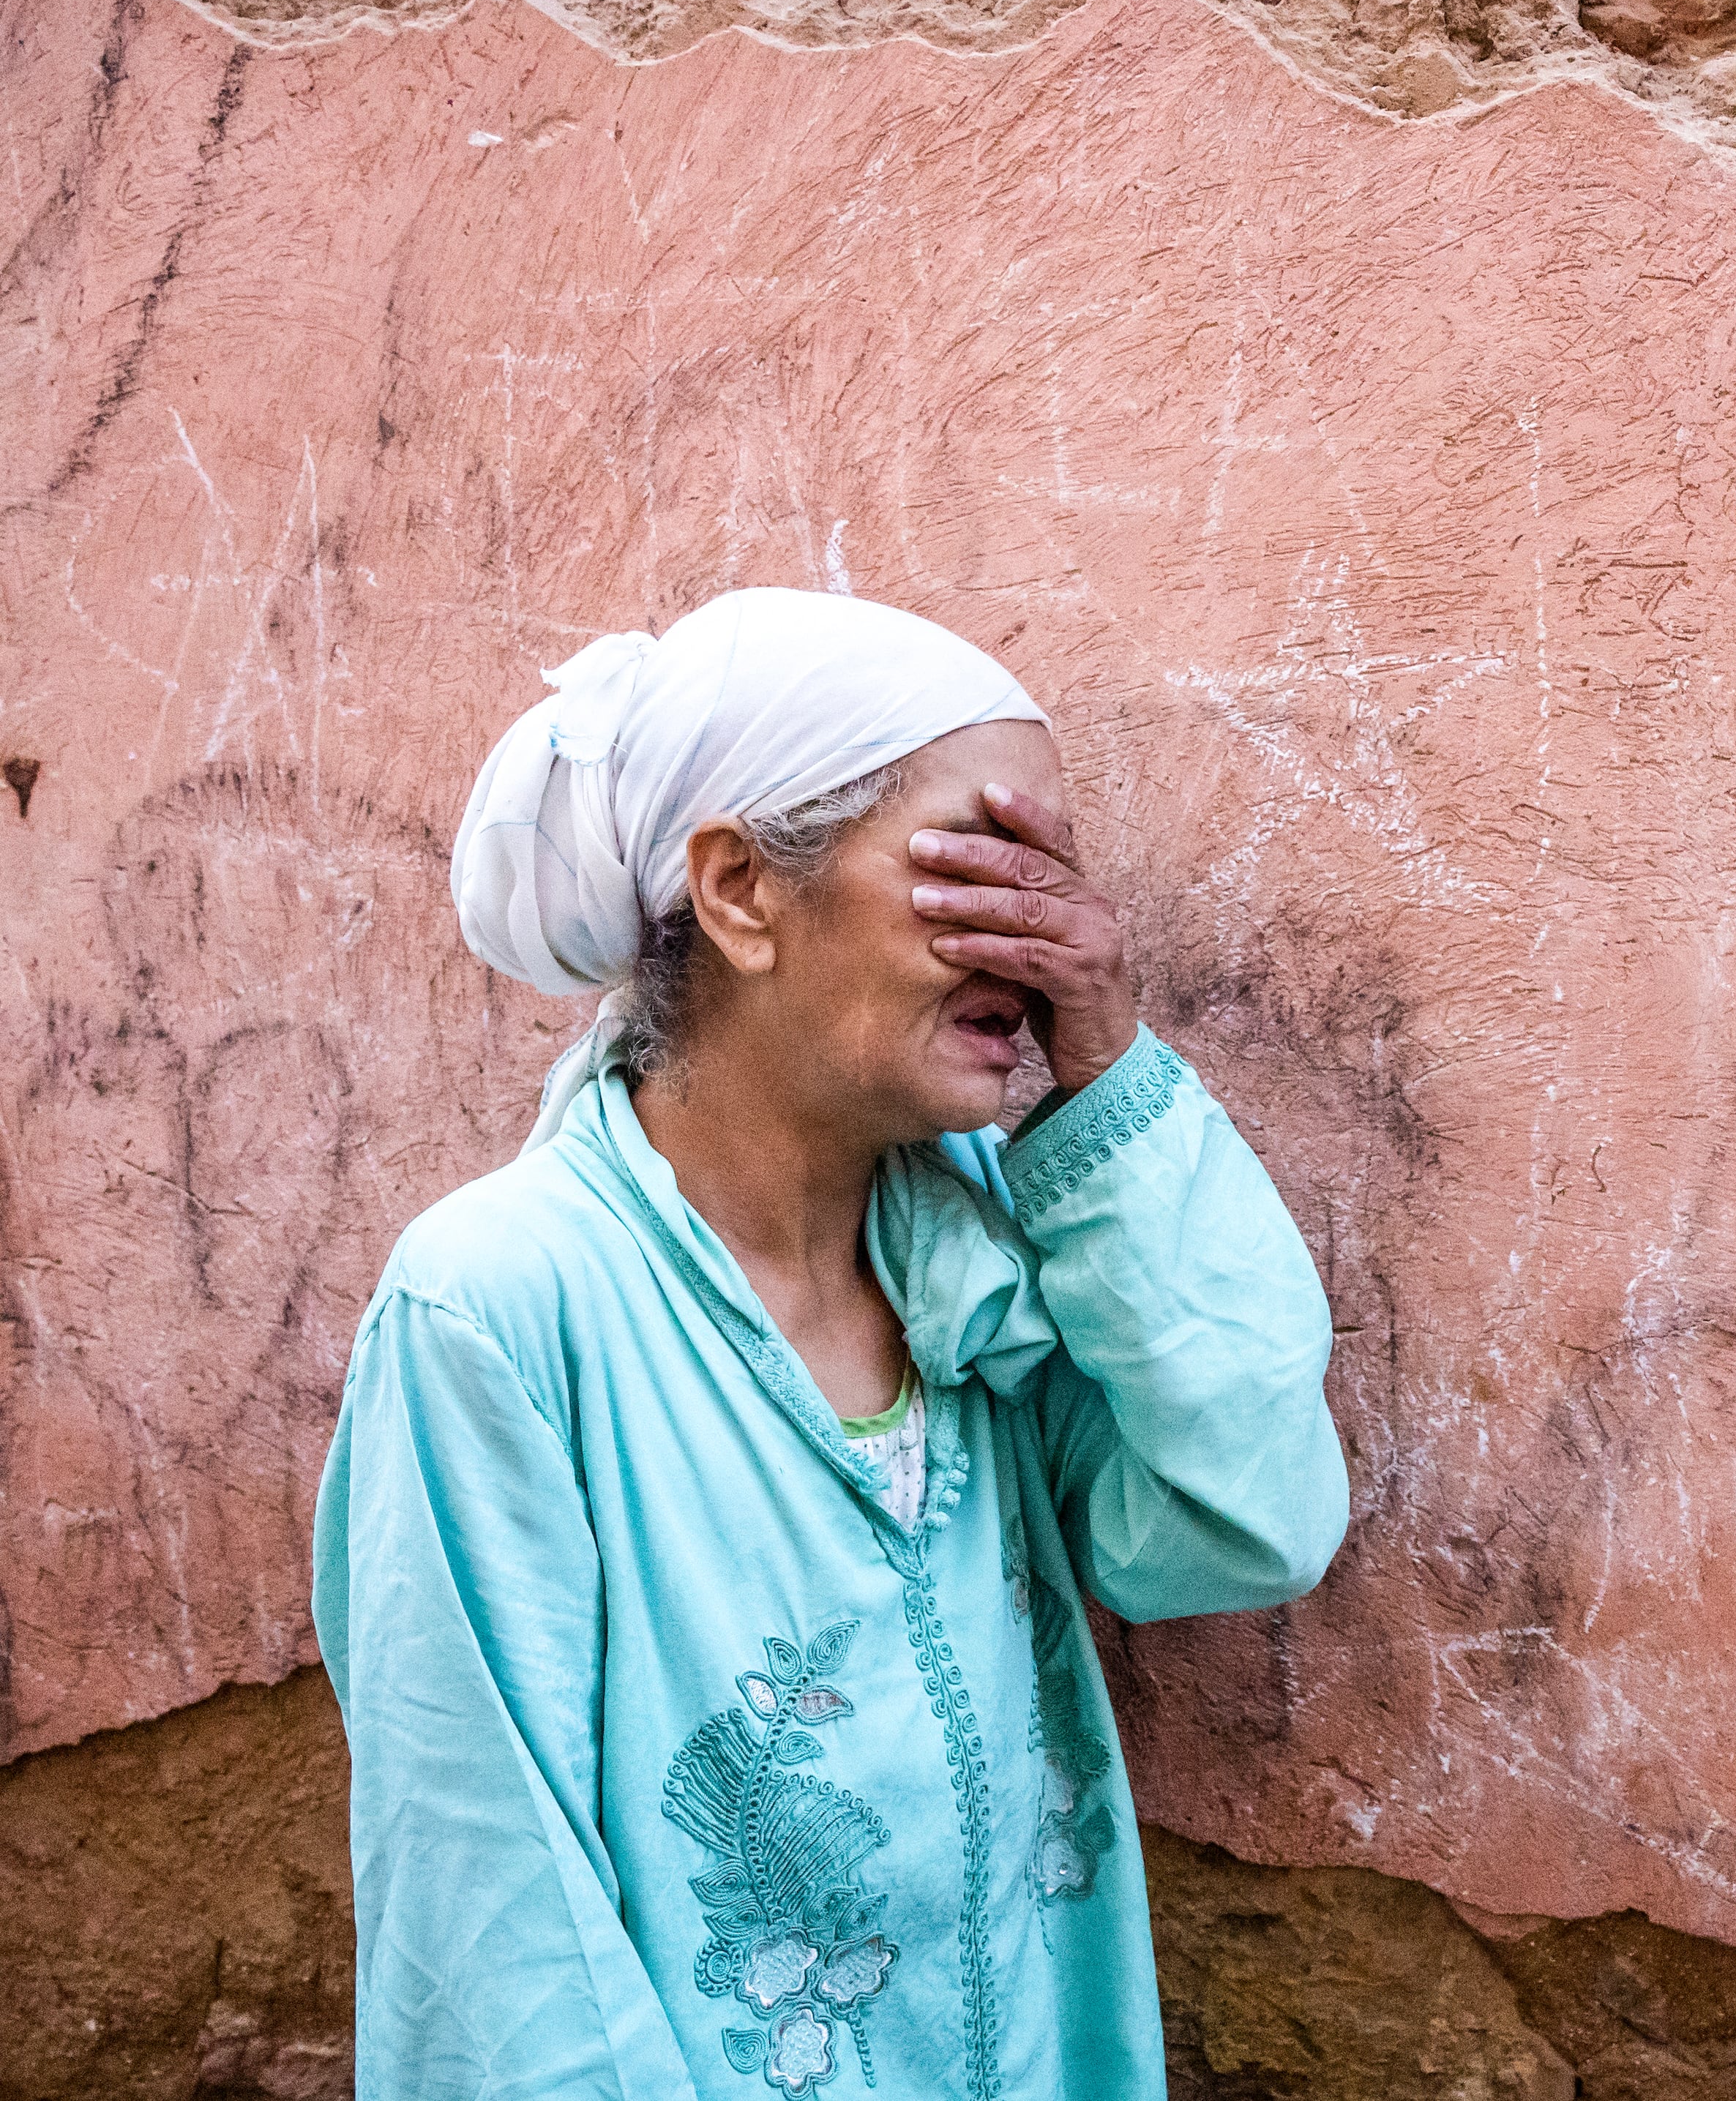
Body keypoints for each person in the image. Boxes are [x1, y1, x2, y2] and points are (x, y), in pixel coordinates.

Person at [312, 588, 1348, 2099]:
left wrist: (1109, 1074)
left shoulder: (983, 1268)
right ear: (739, 887)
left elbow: (1241, 1514)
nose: (1043, 939)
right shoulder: (498, 1307)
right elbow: (498, 1934)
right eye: (979, 867)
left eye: (1056, 876)